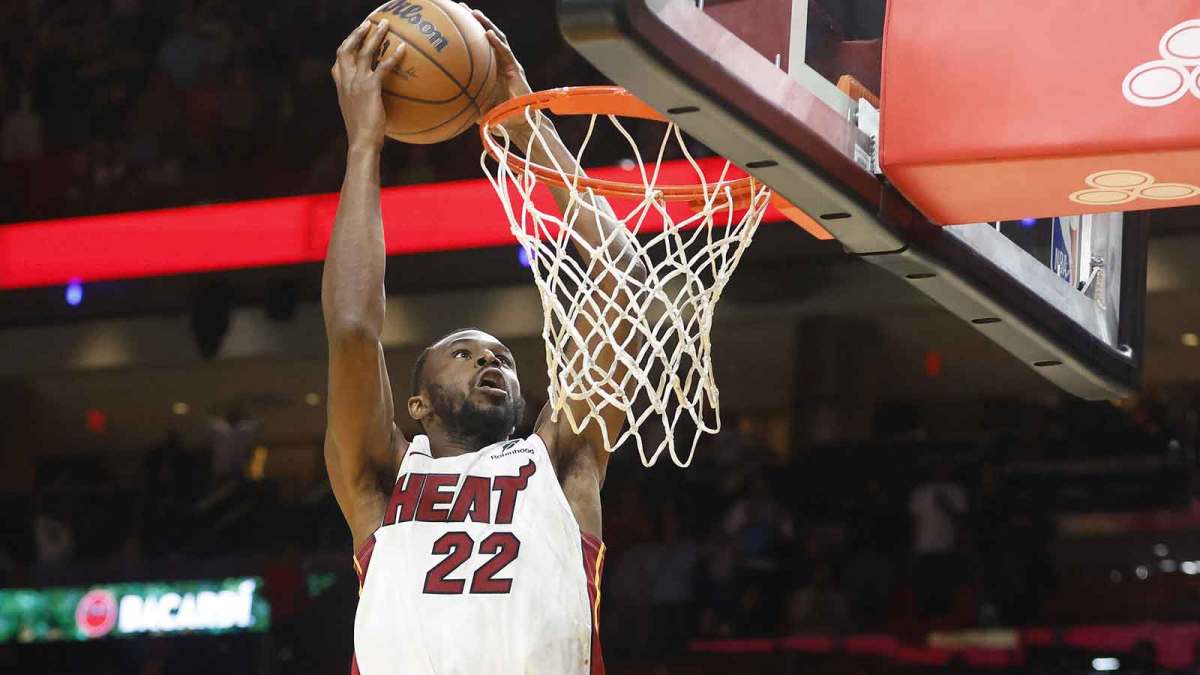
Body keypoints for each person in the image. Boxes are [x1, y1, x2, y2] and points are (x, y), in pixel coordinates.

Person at [323, 10, 646, 675]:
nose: (489, 359)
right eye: (463, 354)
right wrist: (364, 147)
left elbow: (620, 273)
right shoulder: (383, 482)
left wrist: (527, 125)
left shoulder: (561, 463)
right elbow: (353, 329)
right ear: (417, 406)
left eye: (500, 357)